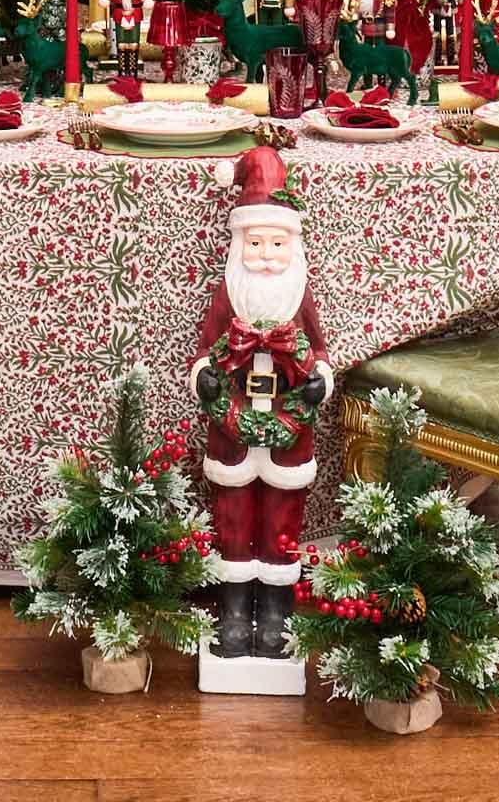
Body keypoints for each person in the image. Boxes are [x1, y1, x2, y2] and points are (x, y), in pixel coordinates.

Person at [190, 146, 333, 663]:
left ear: (293, 246)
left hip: (290, 430)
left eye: (277, 244)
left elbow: (318, 350)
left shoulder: (300, 298)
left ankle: (275, 612)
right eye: (256, 244)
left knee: (280, 516)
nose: (267, 255)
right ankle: (231, 610)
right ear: (238, 243)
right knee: (232, 515)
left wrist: (319, 379)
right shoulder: (228, 295)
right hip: (231, 428)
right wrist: (205, 378)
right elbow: (207, 348)